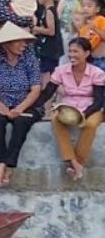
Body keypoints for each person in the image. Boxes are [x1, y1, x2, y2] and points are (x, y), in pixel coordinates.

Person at [0, 23, 43, 187]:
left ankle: (8, 164)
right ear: (7, 44)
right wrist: (1, 106)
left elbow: (36, 89)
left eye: (24, 42)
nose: (23, 45)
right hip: (2, 103)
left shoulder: (29, 60)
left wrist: (20, 109)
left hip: (26, 105)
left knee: (21, 123)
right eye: (19, 41)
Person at [42, 37, 105, 181]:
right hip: (67, 107)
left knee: (89, 124)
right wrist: (30, 106)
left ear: (87, 53)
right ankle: (73, 161)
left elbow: (99, 100)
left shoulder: (97, 73)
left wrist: (82, 115)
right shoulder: (60, 70)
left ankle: (79, 162)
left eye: (76, 51)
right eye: (70, 51)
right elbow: (47, 93)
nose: (71, 55)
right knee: (56, 119)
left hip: (91, 108)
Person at [34, 0, 63, 86]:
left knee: (47, 76)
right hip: (47, 49)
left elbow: (51, 31)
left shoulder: (50, 11)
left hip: (50, 50)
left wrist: (37, 29)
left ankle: (47, 100)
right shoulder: (45, 10)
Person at [78, 0, 105, 70]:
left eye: (89, 6)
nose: (85, 8)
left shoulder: (101, 19)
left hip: (101, 58)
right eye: (83, 6)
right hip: (89, 59)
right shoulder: (83, 25)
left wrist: (95, 29)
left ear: (97, 9)